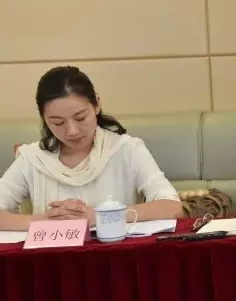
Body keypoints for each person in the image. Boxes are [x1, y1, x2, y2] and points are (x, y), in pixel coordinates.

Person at [0, 66, 184, 231]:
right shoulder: (33, 158)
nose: (72, 131)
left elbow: (172, 207)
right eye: (58, 122)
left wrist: (100, 216)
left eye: (80, 118)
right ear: (44, 118)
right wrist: (46, 221)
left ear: (96, 105)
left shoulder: (127, 149)